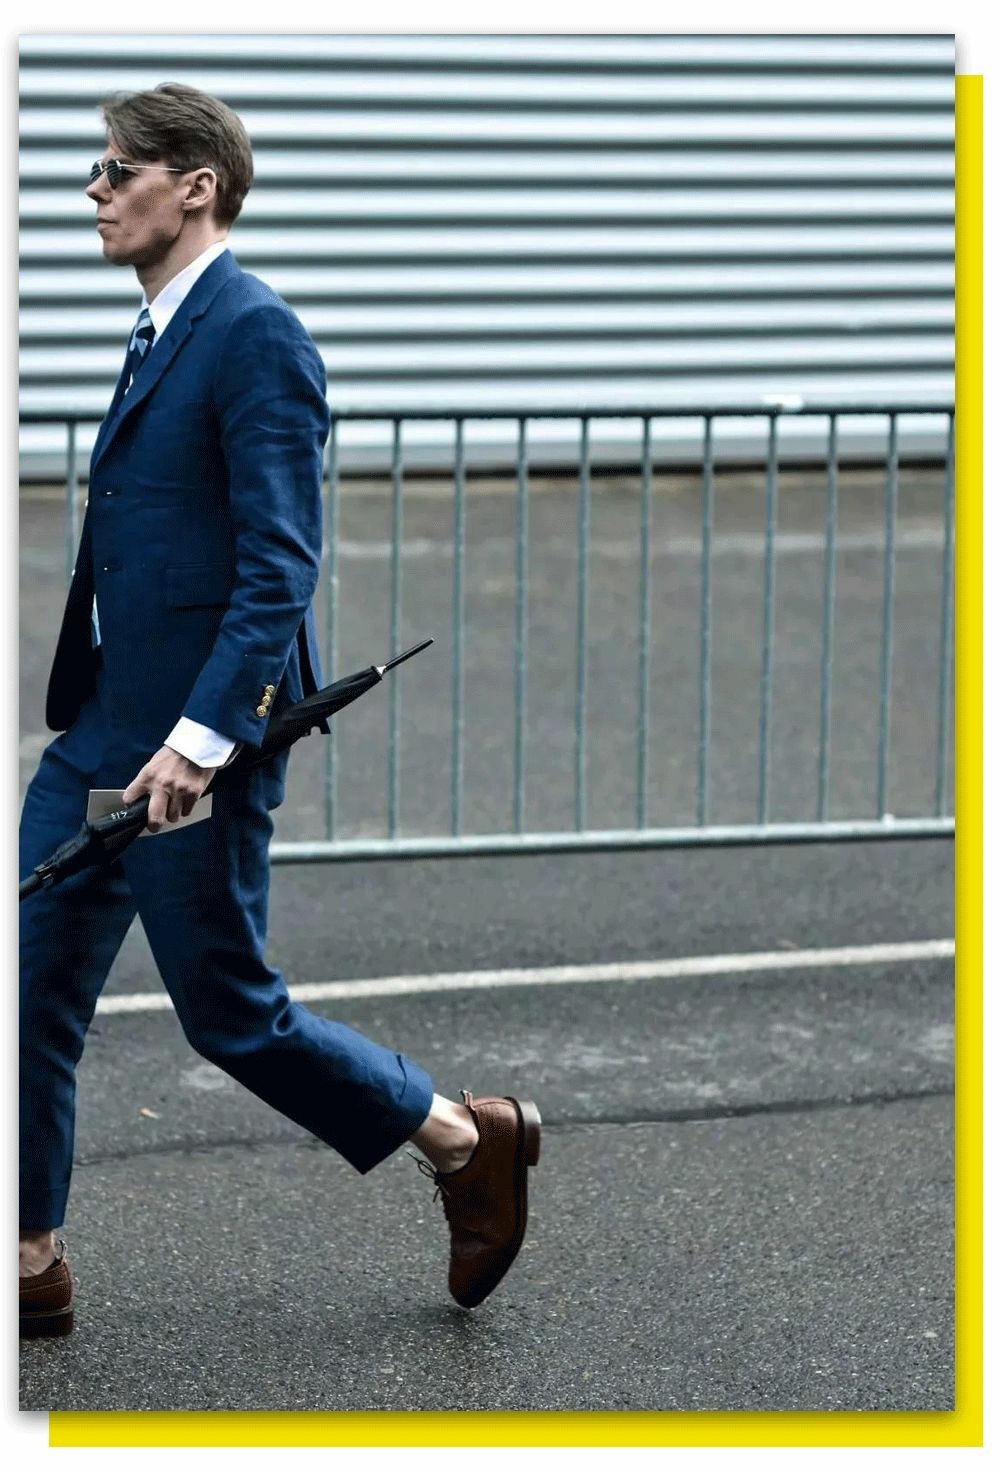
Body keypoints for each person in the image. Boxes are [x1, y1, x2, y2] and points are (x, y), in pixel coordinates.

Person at [19, 83, 540, 1339]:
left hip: (189, 749)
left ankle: (462, 1137)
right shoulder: (160, 328)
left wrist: (203, 739)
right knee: (19, 986)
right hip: (102, 729)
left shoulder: (254, 333)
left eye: (116, 168)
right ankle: (28, 1253)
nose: (93, 190)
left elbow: (279, 564)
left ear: (194, 185)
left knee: (230, 1015)